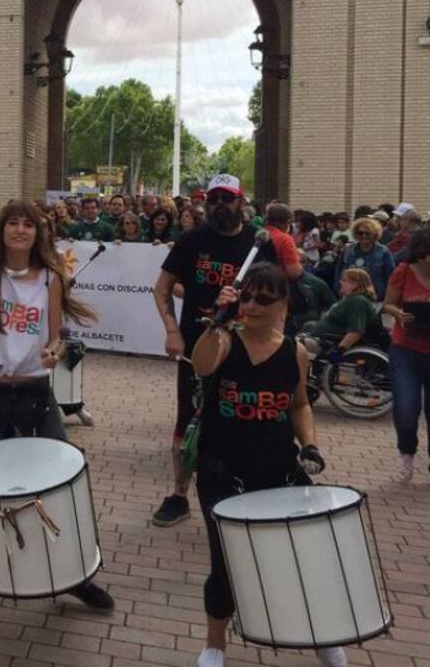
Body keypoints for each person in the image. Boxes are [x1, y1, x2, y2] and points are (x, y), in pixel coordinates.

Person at [0, 168, 114, 614]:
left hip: (34, 393)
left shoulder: (51, 278)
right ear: (2, 231)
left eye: (28, 224)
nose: (20, 229)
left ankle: (76, 574)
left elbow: (55, 336)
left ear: (38, 233)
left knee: (60, 479)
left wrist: (54, 351)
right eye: (13, 222)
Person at [190, 263, 335, 667]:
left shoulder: (295, 352)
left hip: (278, 466)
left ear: (282, 306)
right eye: (247, 297)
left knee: (306, 552)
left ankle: (324, 632)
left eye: (263, 299)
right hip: (222, 468)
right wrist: (216, 322)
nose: (252, 305)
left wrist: (310, 445)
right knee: (226, 560)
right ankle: (214, 646)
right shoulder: (225, 340)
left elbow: (300, 404)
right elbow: (201, 365)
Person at [151, 174, 274, 528]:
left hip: (245, 347)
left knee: (242, 417)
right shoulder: (192, 240)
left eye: (227, 198)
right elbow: (162, 289)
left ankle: (241, 493)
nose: (220, 205)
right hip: (197, 347)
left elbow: (278, 296)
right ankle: (179, 495)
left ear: (241, 202)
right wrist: (172, 331)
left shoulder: (258, 243)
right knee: (189, 420)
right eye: (214, 198)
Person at [381, 228, 430, 481]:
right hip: (406, 348)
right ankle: (407, 451)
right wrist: (399, 314)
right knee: (406, 407)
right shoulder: (403, 271)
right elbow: (388, 303)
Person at [305, 268, 379, 352]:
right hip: (323, 338)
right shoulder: (348, 299)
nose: (340, 282)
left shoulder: (357, 301)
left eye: (344, 280)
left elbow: (356, 332)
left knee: (296, 345)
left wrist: (339, 351)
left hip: (330, 344)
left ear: (354, 284)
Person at [335, 217, 396, 300]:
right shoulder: (348, 250)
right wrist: (339, 289)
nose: (364, 236)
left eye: (368, 233)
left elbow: (391, 277)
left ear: (374, 234)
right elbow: (339, 271)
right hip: (350, 296)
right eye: (360, 233)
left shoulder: (384, 252)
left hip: (376, 297)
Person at [262, 203, 304, 281]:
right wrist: (300, 261)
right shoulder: (284, 239)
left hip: (255, 283)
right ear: (286, 222)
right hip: (278, 284)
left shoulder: (258, 234)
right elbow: (293, 272)